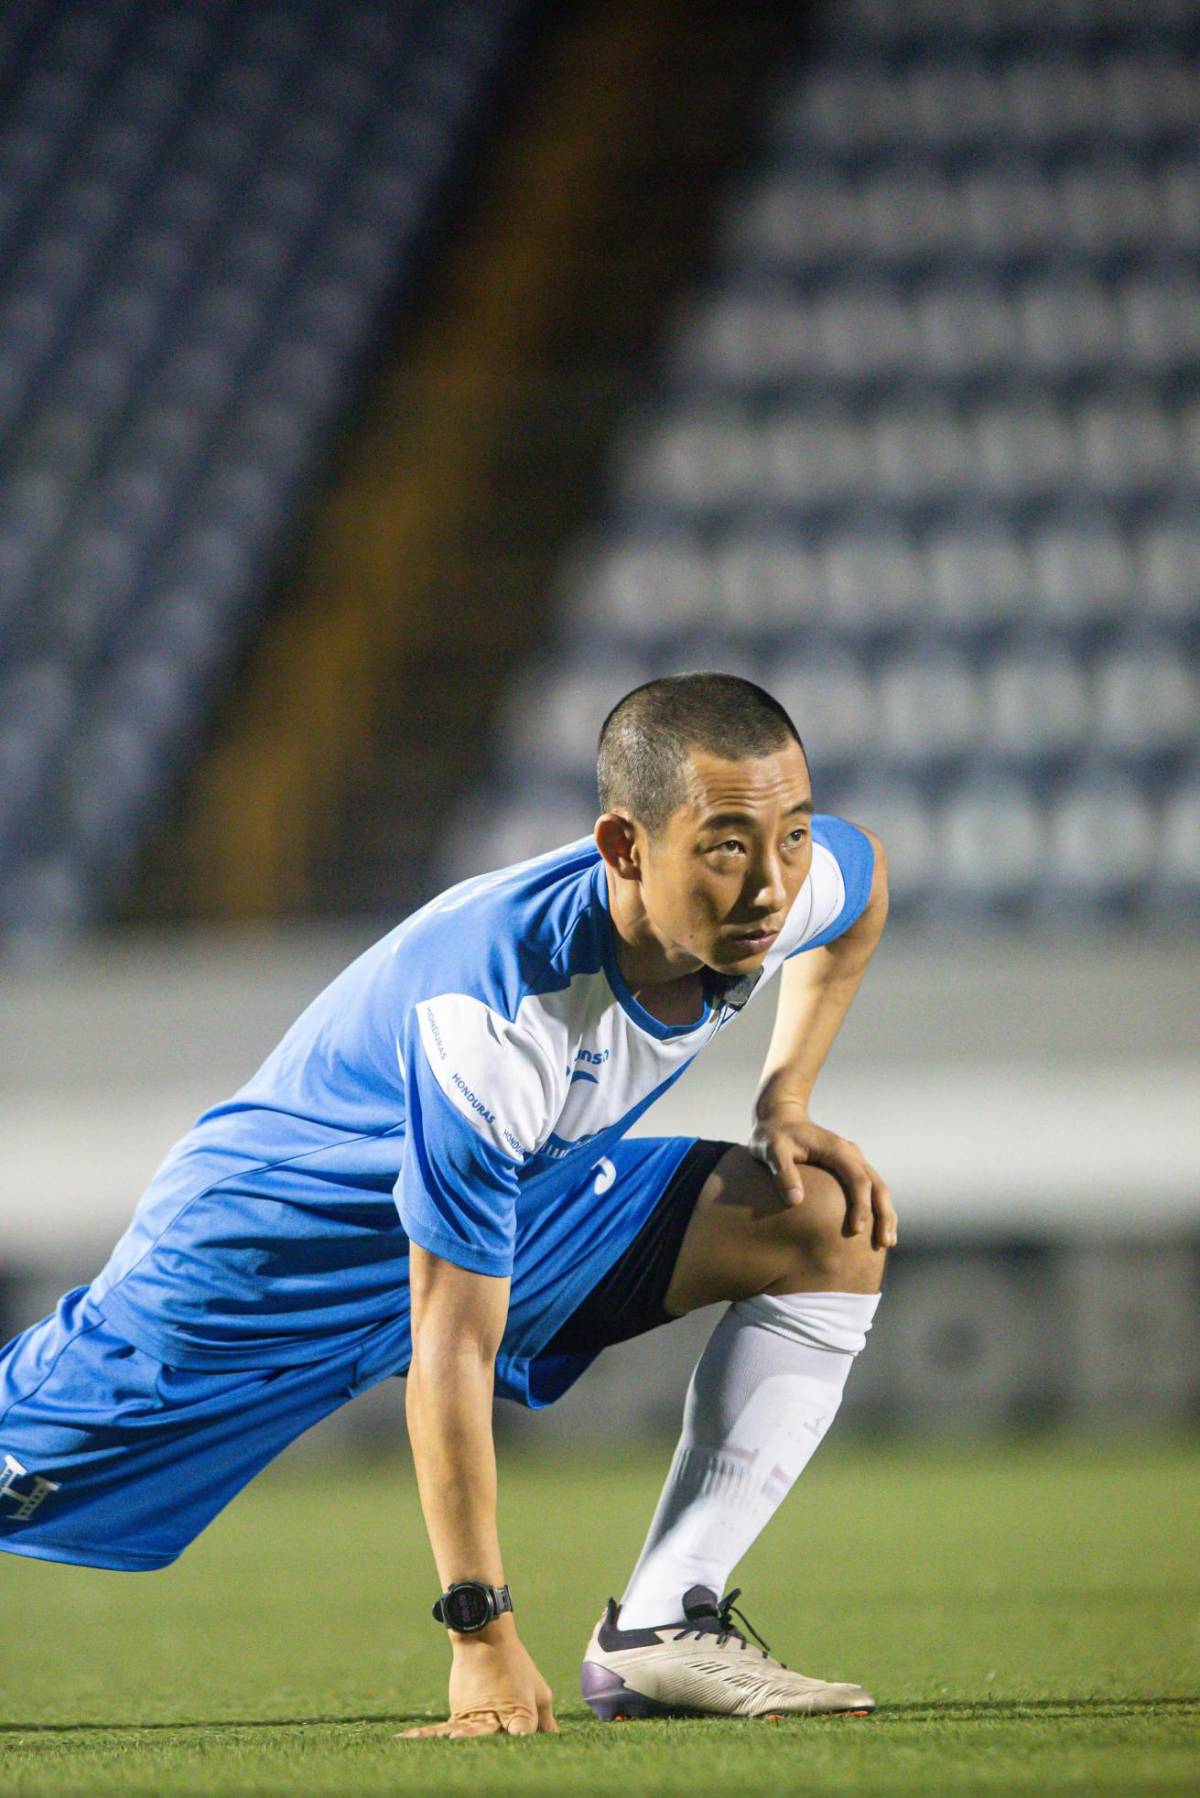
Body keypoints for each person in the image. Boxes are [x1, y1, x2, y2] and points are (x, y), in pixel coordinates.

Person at [0, 672, 896, 1736]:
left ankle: (661, 1627)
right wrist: (482, 1637)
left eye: (790, 835)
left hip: (529, 1201)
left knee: (825, 1218)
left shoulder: (781, 895)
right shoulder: (495, 1010)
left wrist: (785, 1096)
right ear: (623, 847)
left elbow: (866, 880)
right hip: (266, 1258)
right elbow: (451, 1347)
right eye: (727, 846)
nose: (770, 885)